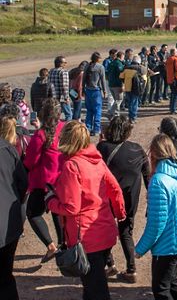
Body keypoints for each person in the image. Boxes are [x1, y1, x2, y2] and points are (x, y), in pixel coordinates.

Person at [46, 121, 126, 300]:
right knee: (93, 285)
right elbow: (115, 189)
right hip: (105, 230)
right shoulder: (96, 159)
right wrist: (120, 214)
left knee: (95, 288)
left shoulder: (71, 166)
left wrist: (50, 201)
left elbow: (71, 207)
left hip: (87, 238)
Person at [135, 134, 177, 300]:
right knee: (172, 279)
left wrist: (140, 249)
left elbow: (156, 224)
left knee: (161, 288)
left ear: (152, 154)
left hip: (168, 246)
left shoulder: (159, 181)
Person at [97, 116, 151, 283]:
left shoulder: (103, 147)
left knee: (104, 230)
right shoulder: (137, 149)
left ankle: (109, 264)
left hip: (108, 198)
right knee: (126, 232)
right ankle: (131, 269)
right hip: (130, 198)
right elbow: (148, 176)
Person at [23, 98, 64, 263]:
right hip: (60, 179)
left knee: (33, 214)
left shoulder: (41, 135)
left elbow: (30, 162)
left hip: (43, 182)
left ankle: (51, 246)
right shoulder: (64, 128)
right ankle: (64, 244)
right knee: (57, 212)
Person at [0, 118, 28, 300]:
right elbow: (23, 183)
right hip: (9, 223)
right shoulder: (7, 149)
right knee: (5, 276)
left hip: (9, 223)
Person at [83, 51, 107, 136]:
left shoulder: (87, 66)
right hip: (96, 91)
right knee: (97, 111)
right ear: (97, 59)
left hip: (88, 90)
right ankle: (96, 130)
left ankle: (88, 128)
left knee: (89, 111)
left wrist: (83, 90)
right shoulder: (100, 67)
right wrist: (104, 91)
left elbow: (83, 79)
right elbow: (103, 80)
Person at [120, 55, 147, 123]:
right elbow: (144, 79)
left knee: (130, 103)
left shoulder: (126, 67)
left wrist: (125, 82)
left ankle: (130, 117)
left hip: (127, 87)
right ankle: (133, 118)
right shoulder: (142, 68)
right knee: (134, 103)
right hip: (136, 88)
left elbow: (121, 77)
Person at [49, 55, 72, 121]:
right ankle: (67, 129)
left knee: (56, 115)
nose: (66, 64)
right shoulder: (63, 72)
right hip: (62, 98)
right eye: (65, 62)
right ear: (60, 63)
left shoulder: (51, 71)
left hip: (53, 97)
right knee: (68, 114)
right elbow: (64, 86)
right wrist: (66, 98)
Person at [106, 51, 125, 118]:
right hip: (117, 85)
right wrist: (122, 85)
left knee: (116, 100)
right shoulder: (118, 63)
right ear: (121, 56)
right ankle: (111, 112)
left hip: (110, 84)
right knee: (119, 100)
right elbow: (121, 75)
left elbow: (107, 72)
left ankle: (116, 115)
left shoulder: (111, 62)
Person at [165, 48, 177, 115]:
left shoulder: (168, 59)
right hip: (176, 78)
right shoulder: (175, 59)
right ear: (174, 52)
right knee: (176, 94)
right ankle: (173, 109)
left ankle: (171, 108)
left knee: (173, 94)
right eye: (176, 52)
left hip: (170, 78)